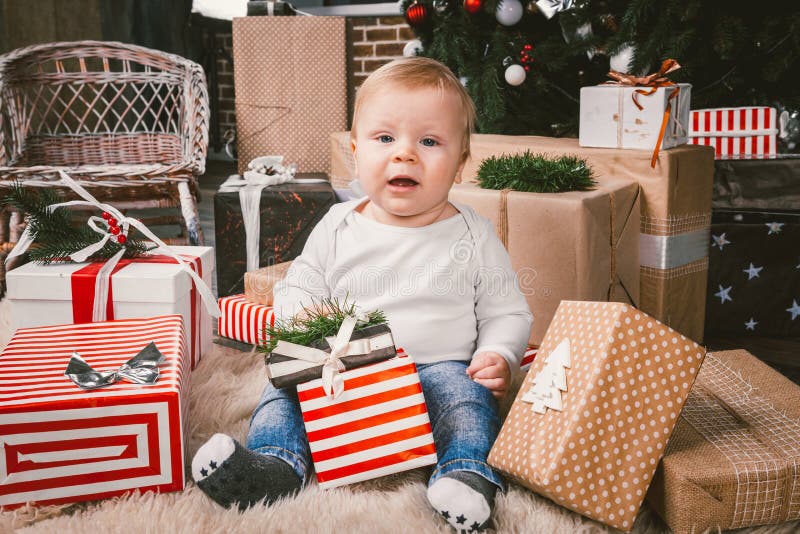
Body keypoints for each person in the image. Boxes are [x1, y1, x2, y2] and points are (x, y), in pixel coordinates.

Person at [192, 57, 532, 532]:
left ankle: (467, 474)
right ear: (356, 151)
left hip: (437, 367)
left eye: (430, 142)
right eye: (385, 138)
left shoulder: (472, 234)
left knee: (466, 400)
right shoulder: (339, 223)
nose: (405, 154)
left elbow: (507, 310)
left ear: (459, 164)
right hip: (345, 367)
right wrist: (303, 313)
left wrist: (499, 352)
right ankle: (274, 464)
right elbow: (301, 282)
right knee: (281, 389)